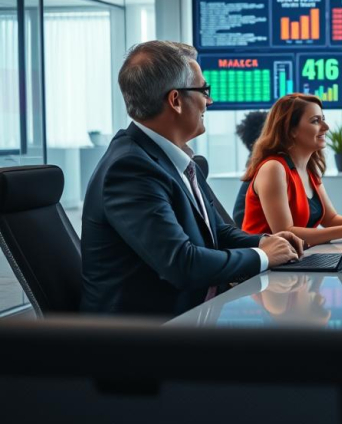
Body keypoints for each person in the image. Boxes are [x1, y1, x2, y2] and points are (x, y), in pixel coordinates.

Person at [81, 41, 304, 317]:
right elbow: (181, 263)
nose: (209, 101)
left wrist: (263, 242)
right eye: (203, 91)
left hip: (195, 317)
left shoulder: (174, 159)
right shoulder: (130, 169)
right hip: (144, 340)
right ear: (175, 100)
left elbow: (215, 232)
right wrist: (264, 256)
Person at [239, 93, 342, 246]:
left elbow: (330, 219)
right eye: (315, 121)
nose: (326, 127)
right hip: (266, 264)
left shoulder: (309, 169)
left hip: (294, 259)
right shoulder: (273, 168)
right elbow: (285, 233)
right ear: (291, 130)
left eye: (323, 120)